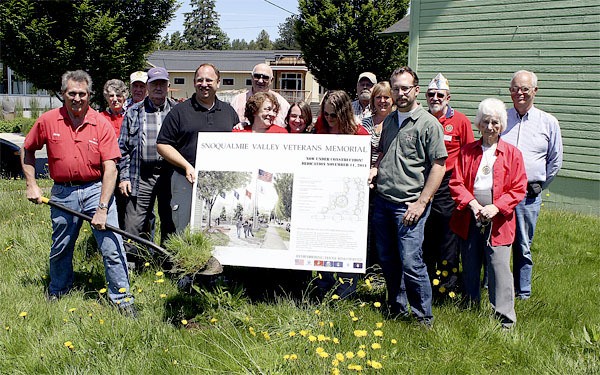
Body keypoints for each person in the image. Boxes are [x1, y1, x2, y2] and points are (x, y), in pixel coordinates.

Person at [20, 70, 134, 315]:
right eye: (72, 93)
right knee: (61, 246)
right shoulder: (48, 121)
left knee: (112, 246)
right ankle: (58, 290)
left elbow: (111, 168)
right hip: (63, 192)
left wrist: (103, 207)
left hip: (96, 190)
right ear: (63, 94)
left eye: (82, 94)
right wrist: (32, 184)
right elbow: (27, 150)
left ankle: (122, 299)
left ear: (89, 96)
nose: (77, 98)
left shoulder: (100, 123)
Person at [368, 66, 447, 327]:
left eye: (405, 88)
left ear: (415, 90)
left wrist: (422, 202)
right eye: (396, 88)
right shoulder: (389, 121)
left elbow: (439, 165)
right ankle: (397, 307)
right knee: (388, 259)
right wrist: (375, 169)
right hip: (383, 202)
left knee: (412, 263)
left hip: (409, 205)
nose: (400, 93)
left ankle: (423, 317)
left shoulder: (428, 124)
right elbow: (383, 153)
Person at [449, 98, 527, 329]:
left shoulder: (513, 154)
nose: (490, 127)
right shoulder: (467, 151)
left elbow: (519, 187)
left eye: (495, 122)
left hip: (499, 218)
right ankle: (471, 308)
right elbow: (456, 183)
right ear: (478, 125)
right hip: (469, 214)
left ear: (501, 125)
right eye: (485, 122)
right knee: (470, 263)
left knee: (499, 266)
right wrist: (473, 205)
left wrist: (496, 207)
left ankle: (505, 319)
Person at [501, 70, 563, 300]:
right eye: (515, 88)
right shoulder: (502, 119)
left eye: (525, 89)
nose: (520, 93)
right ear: (510, 91)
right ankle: (494, 286)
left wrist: (537, 185)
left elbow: (555, 161)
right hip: (500, 195)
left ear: (535, 91)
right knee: (496, 243)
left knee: (523, 245)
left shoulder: (548, 122)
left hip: (528, 195)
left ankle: (522, 292)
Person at [157, 63, 239, 234]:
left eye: (209, 80)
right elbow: (162, 144)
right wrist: (187, 166)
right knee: (183, 228)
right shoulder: (179, 112)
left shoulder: (229, 112)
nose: (204, 84)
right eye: (199, 80)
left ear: (218, 83)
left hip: (220, 184)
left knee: (212, 229)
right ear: (194, 83)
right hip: (185, 179)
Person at [118, 67, 178, 267]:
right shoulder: (134, 112)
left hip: (170, 175)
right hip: (141, 174)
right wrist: (124, 177)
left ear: (168, 86)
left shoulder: (177, 111)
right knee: (134, 221)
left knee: (170, 219)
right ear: (148, 87)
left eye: (162, 83)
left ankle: (168, 262)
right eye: (154, 84)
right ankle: (134, 263)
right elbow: (123, 148)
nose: (158, 87)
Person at [421, 73, 475, 296]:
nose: (435, 98)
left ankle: (447, 286)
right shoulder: (422, 118)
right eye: (431, 94)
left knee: (447, 236)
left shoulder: (460, 121)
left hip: (449, 185)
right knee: (426, 234)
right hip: (424, 182)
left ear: (448, 97)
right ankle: (425, 281)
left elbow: (471, 155)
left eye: (439, 95)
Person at [314, 90, 369, 299]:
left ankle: (346, 293)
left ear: (344, 113)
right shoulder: (321, 130)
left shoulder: (359, 134)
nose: (329, 119)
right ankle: (323, 288)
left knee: (347, 246)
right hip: (324, 198)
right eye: (326, 114)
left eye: (333, 115)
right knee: (324, 244)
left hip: (350, 201)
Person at [101, 79, 129, 228]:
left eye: (118, 95)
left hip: (126, 169)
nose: (115, 99)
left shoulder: (130, 115)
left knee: (127, 207)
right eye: (111, 95)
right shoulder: (101, 117)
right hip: (107, 169)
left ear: (124, 96)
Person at [230, 63, 290, 127]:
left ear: (271, 80)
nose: (260, 81)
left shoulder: (282, 103)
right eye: (257, 76)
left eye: (265, 77)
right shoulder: (237, 101)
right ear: (251, 77)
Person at [361, 81, 394, 167]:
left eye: (386, 97)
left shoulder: (396, 123)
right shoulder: (364, 123)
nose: (382, 101)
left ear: (392, 99)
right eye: (378, 97)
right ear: (373, 100)